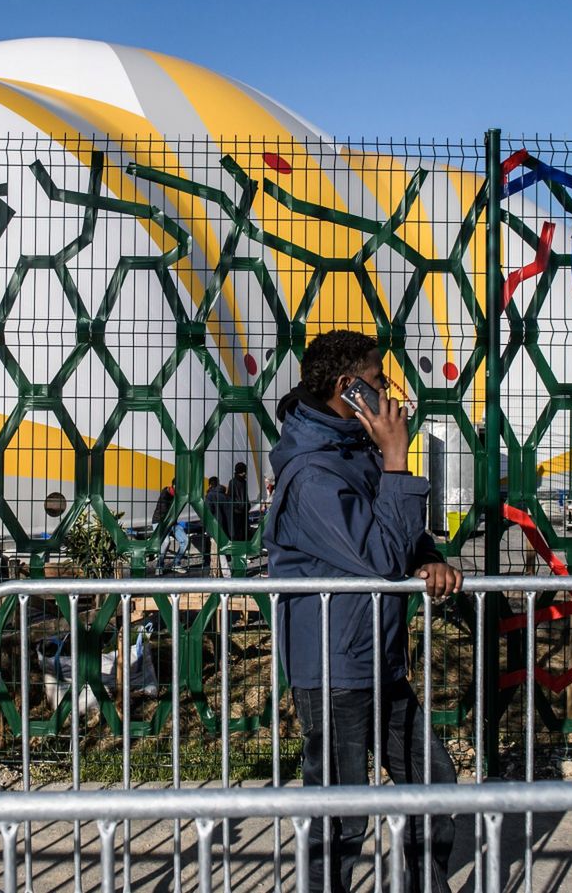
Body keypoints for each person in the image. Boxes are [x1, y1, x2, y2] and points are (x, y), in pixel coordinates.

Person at [264, 329, 473, 891]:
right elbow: (380, 555)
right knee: (343, 814)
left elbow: (393, 535)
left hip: (376, 659)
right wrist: (398, 456)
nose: (390, 392)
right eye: (379, 381)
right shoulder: (311, 475)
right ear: (347, 387)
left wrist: (429, 557)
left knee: (431, 780)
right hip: (335, 669)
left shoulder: (350, 449)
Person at [224, 462, 251, 543]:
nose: (245, 473)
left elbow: (245, 495)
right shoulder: (233, 482)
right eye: (243, 471)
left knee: (244, 530)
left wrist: (247, 505)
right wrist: (237, 506)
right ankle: (239, 547)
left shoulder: (243, 482)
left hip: (243, 509)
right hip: (237, 511)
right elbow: (230, 497)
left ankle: (244, 547)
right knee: (238, 530)